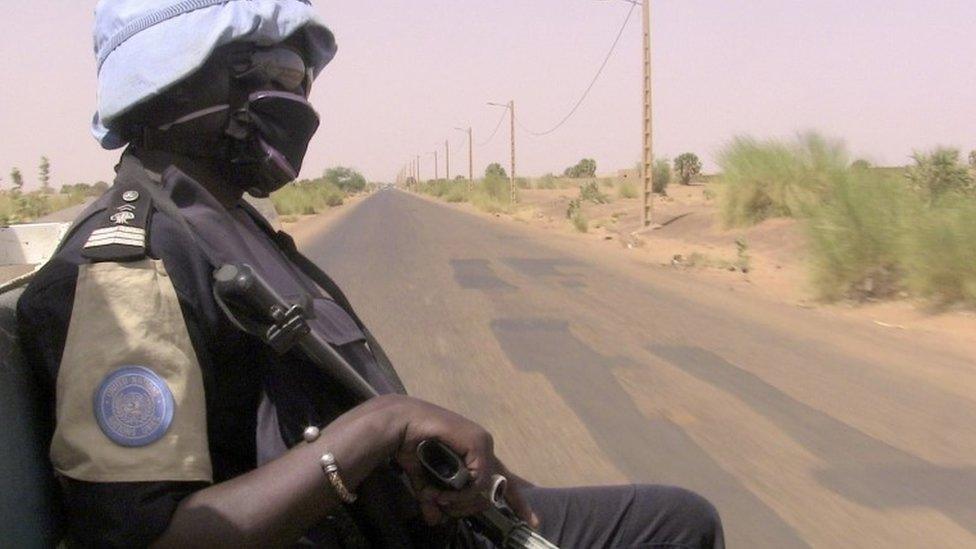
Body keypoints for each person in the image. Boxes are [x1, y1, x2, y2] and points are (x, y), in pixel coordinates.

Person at [16, 1, 724, 547]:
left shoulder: (222, 224)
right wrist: (381, 427)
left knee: (673, 517)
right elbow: (146, 537)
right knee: (673, 528)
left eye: (302, 78)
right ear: (177, 83)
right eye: (281, 76)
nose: (299, 99)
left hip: (399, 520)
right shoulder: (131, 267)